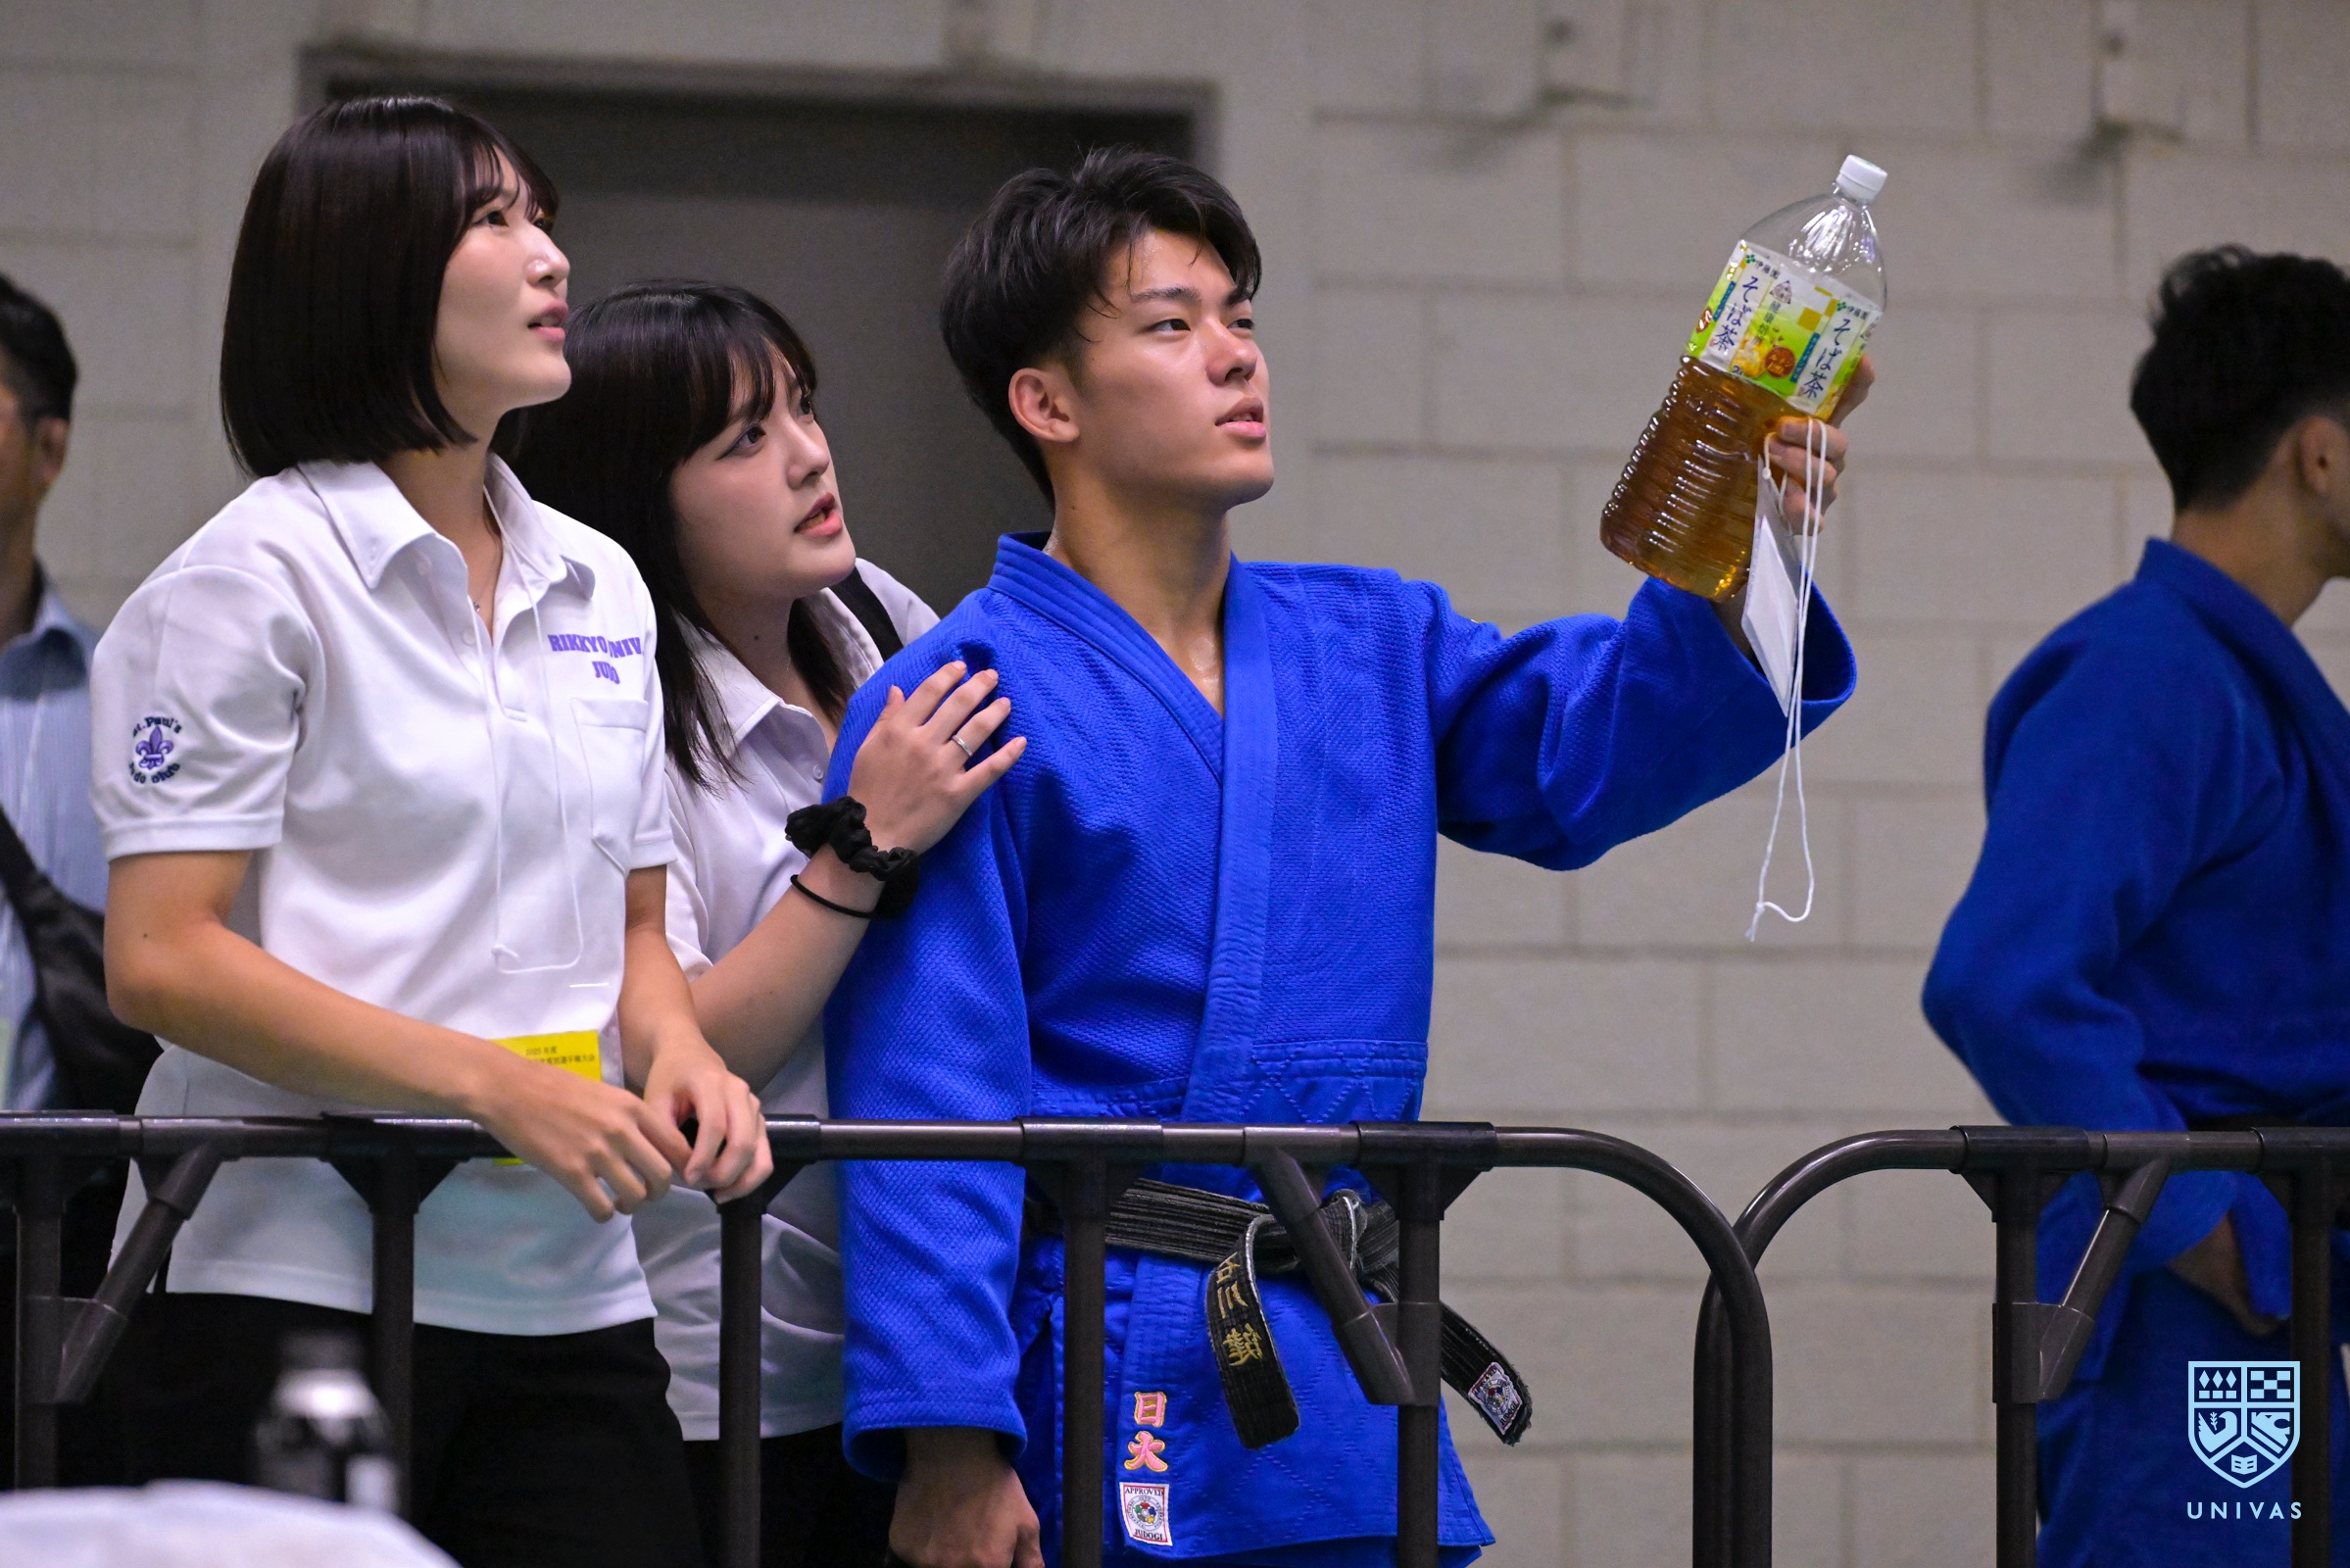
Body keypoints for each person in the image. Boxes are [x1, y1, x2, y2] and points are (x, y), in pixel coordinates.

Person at [821, 147, 1866, 1566]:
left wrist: (1750, 545)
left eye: (1241, 317)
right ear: (1046, 402)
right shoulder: (958, 700)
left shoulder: (1373, 643)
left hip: (1344, 1349)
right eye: (1172, 324)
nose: (1235, 356)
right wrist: (949, 1439)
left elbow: (1587, 758)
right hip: (1109, 1355)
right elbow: (925, 1097)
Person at [86, 97, 770, 1567]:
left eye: (544, 217)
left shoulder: (601, 581)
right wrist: (488, 1087)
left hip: (577, 1291)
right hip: (288, 1280)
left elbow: (635, 930)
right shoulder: (246, 583)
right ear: (368, 269)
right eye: (493, 221)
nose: (551, 257)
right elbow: (160, 960)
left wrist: (682, 1055)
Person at [512, 279, 1023, 1568]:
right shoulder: (603, 700)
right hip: (708, 1360)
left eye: (803, 407)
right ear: (638, 496)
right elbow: (675, 1055)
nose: (807, 456)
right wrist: (860, 846)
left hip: (911, 1342)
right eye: (744, 439)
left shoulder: (880, 620)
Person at [1925, 247, 2350, 1566]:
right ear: (2320, 455)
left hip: (2261, 1275)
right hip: (2187, 1293)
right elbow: (2001, 984)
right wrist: (2201, 1230)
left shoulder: (2231, 684)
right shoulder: (2147, 676)